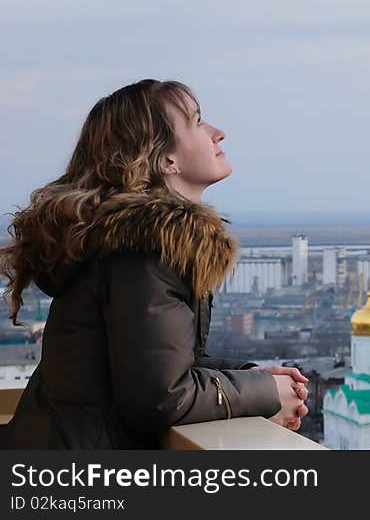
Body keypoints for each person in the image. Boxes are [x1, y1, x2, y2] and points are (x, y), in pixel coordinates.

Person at [0, 79, 308, 449]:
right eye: (197, 122)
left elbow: (148, 363)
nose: (218, 133)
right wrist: (265, 392)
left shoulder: (125, 242)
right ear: (165, 159)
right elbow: (159, 398)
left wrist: (253, 377)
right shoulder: (145, 250)